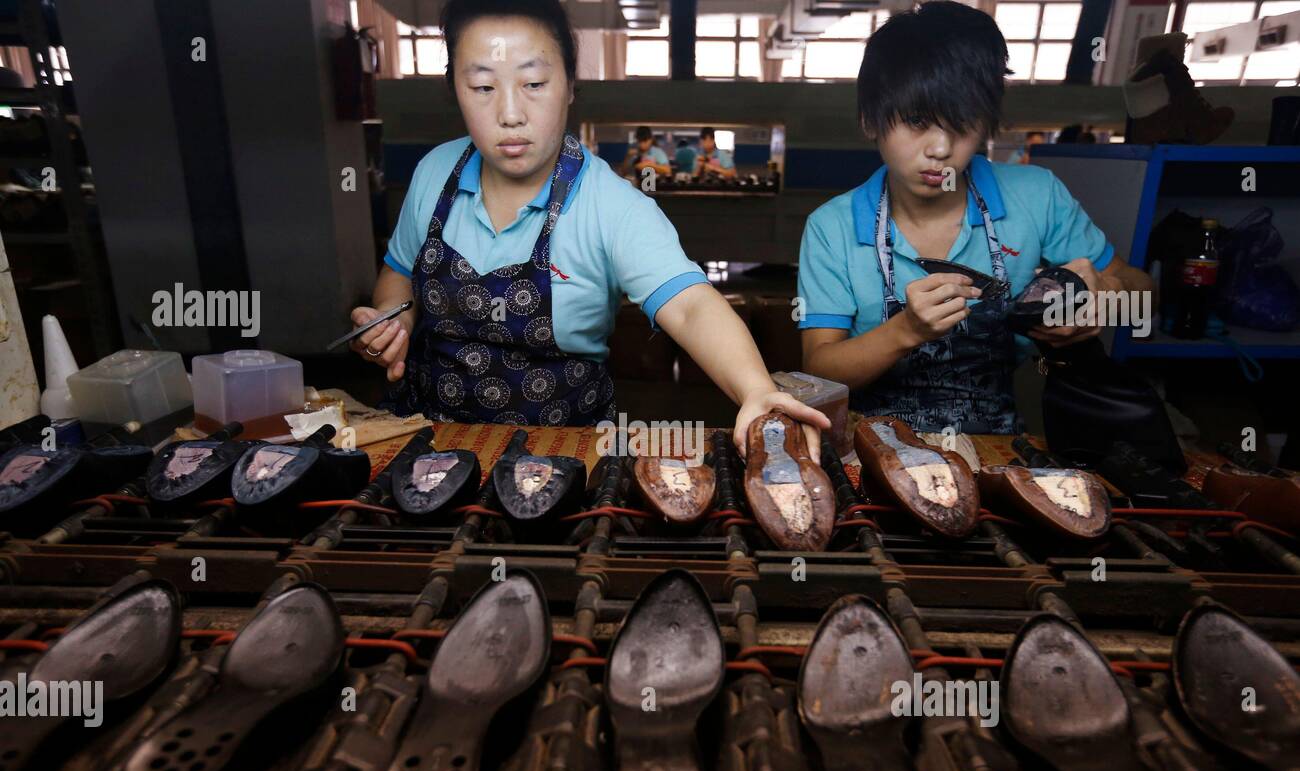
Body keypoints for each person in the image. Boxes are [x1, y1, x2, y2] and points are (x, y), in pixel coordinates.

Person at [349, 0, 828, 457]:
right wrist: (395, 320)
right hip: (430, 438)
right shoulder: (435, 172)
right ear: (454, 88)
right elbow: (398, 273)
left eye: (534, 83)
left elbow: (691, 309)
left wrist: (757, 390)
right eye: (482, 88)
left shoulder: (613, 206)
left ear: (571, 84)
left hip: (564, 453)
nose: (510, 114)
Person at [796, 1, 1153, 434]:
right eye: (916, 121)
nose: (941, 149)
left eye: (962, 124)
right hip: (872, 451)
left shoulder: (1036, 196)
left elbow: (1144, 300)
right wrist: (905, 330)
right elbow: (820, 373)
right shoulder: (831, 227)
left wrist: (1106, 299)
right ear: (871, 120)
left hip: (996, 447)